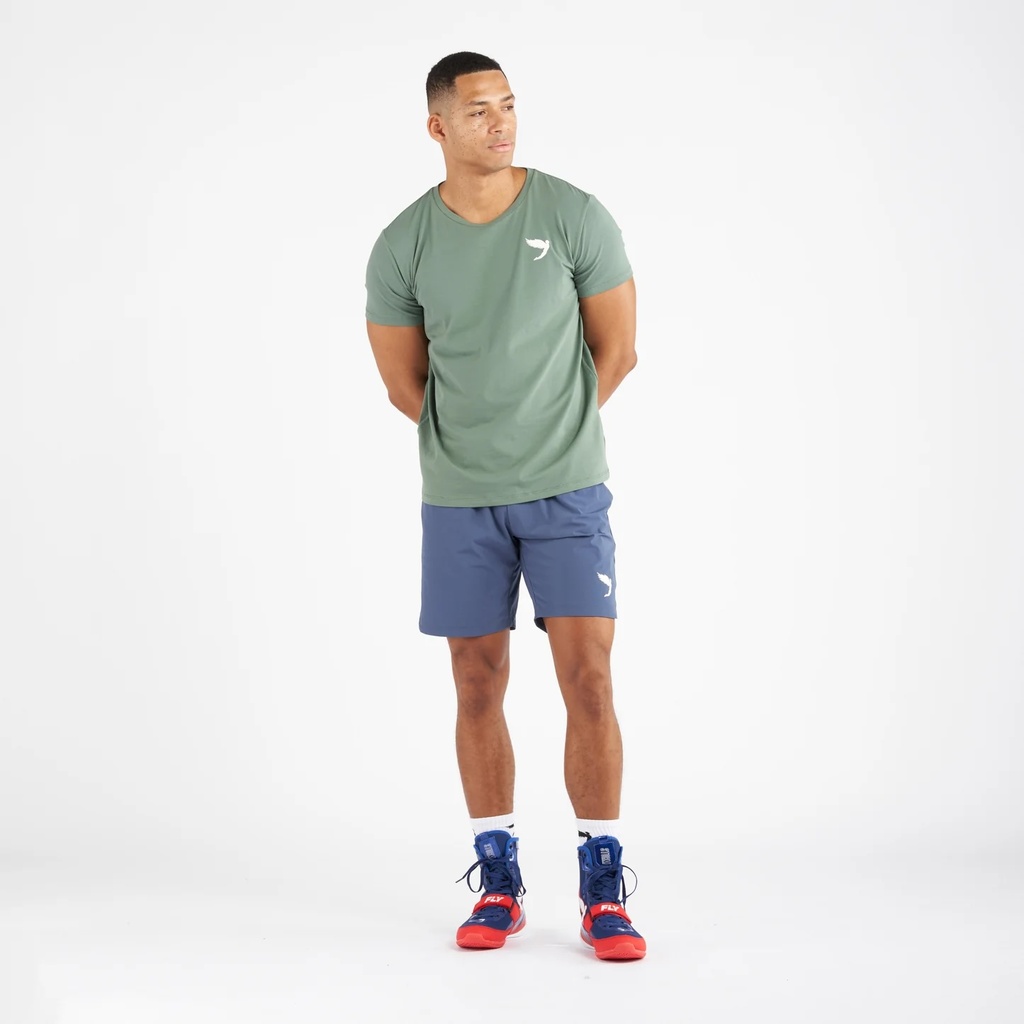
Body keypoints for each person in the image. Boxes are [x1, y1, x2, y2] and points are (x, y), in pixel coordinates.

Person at [364, 50, 645, 961]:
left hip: (568, 490)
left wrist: (548, 435)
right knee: (477, 682)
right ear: (438, 126)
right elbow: (403, 384)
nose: (501, 123)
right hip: (461, 501)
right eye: (480, 110)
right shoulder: (404, 243)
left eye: (510, 106)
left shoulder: (572, 214)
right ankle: (498, 882)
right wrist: (480, 445)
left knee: (589, 678)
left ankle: (603, 888)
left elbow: (618, 350)